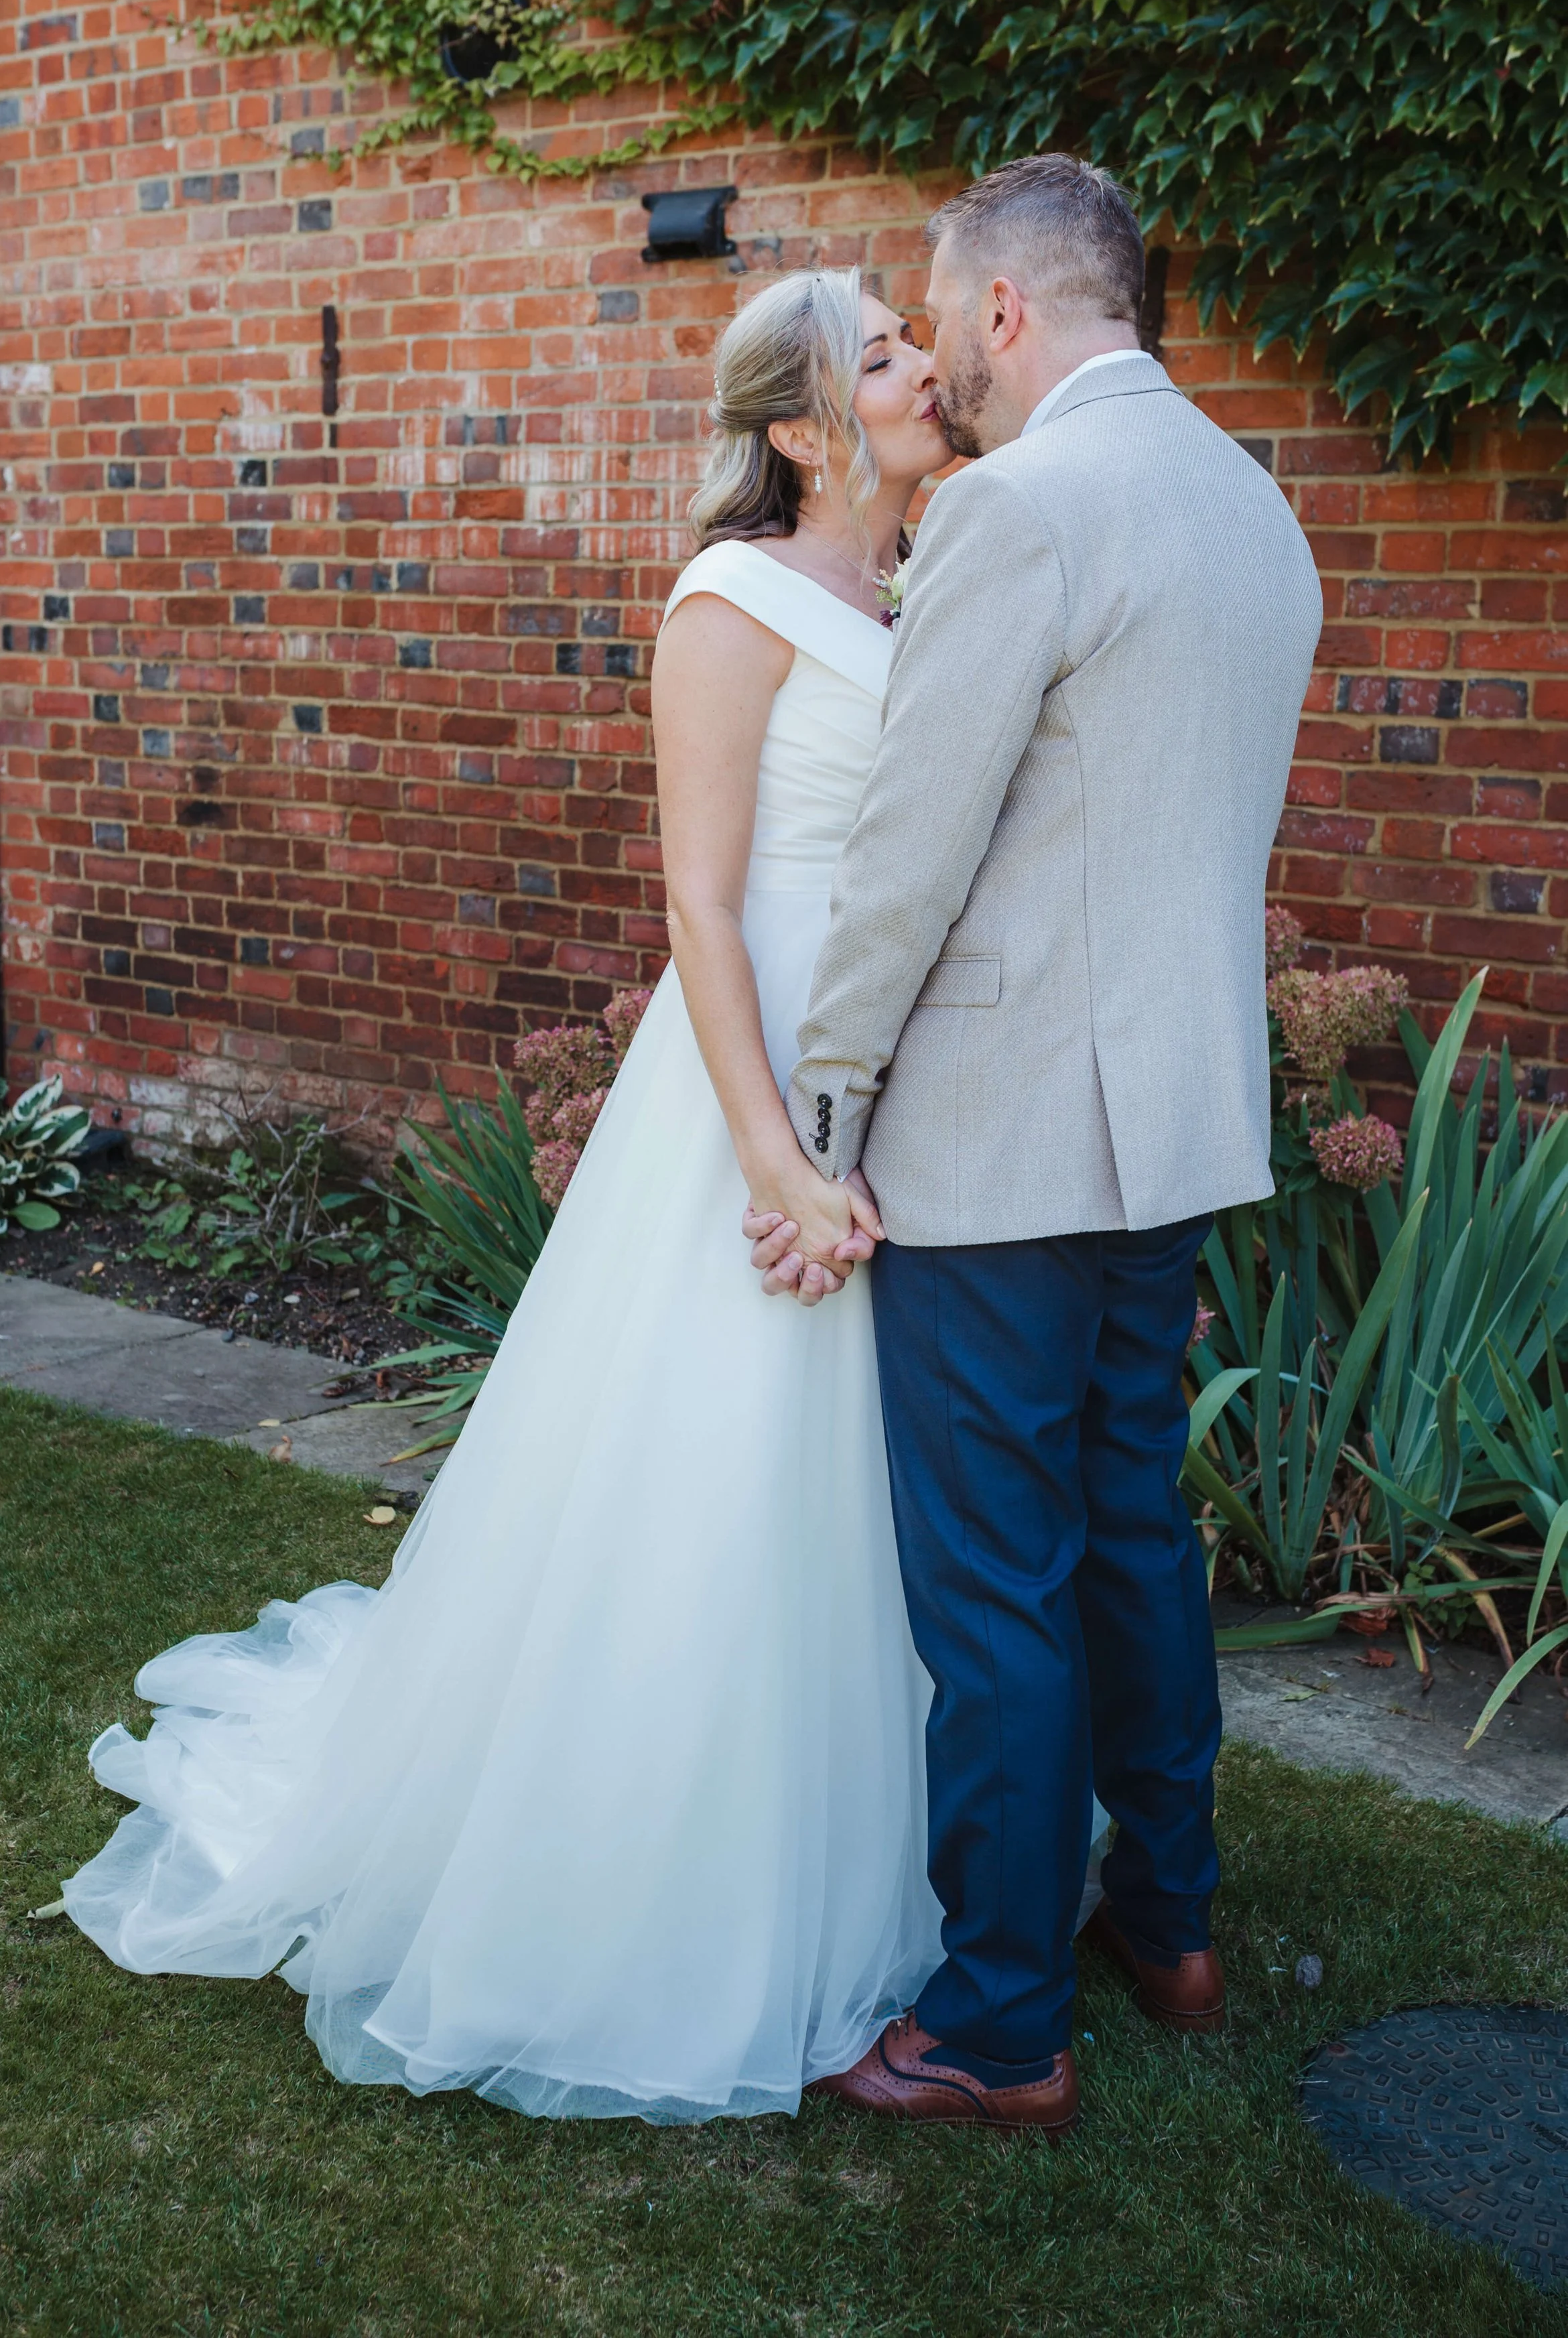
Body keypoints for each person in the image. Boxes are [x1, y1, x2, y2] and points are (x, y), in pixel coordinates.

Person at [61, 266, 1109, 2124]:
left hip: (900, 1077)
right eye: (875, 352)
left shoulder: (928, 572)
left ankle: (902, 1865)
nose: (920, 366)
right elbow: (700, 905)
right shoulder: (728, 600)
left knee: (873, 1496)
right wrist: (777, 1152)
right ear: (797, 428)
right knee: (711, 1469)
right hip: (746, 1079)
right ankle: (649, 1884)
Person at [750, 155, 1324, 2136]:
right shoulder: (1256, 510)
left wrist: (822, 1112)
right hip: (1173, 1133)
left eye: (941, 312)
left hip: (998, 1146)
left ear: (1003, 306)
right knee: (1131, 1534)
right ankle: (1165, 1922)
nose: (947, 365)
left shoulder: (1017, 507)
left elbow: (908, 855)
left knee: (993, 1584)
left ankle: (997, 2018)